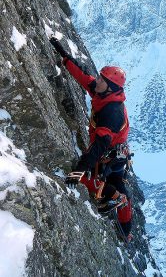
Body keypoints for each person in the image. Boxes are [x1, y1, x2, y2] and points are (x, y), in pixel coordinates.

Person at [49, 37, 132, 239]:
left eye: (103, 79)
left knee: (91, 180)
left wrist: (79, 170)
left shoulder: (112, 112)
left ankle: (115, 198)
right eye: (101, 77)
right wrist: (64, 56)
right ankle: (126, 230)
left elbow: (98, 147)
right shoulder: (104, 93)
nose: (98, 80)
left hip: (108, 153)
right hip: (118, 154)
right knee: (117, 182)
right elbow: (84, 77)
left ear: (111, 87)